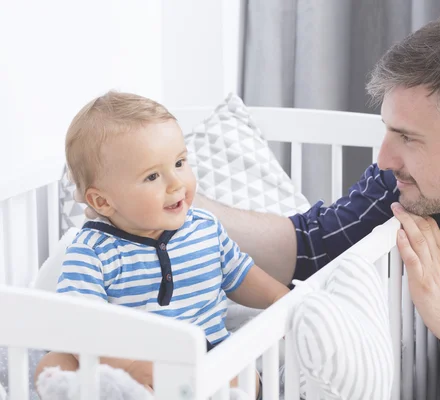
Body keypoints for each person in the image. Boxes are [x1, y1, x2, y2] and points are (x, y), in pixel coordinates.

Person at [192, 10, 440, 399]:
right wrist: (177, 198)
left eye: (408, 138)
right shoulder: (423, 184)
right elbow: (310, 247)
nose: (385, 158)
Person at [35, 91, 289, 398]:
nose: (176, 183)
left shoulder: (205, 228)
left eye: (180, 162)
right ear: (102, 201)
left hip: (204, 358)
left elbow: (241, 275)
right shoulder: (92, 250)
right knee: (53, 364)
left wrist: (283, 301)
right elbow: (79, 322)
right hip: (121, 366)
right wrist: (126, 366)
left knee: (244, 376)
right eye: (153, 176)